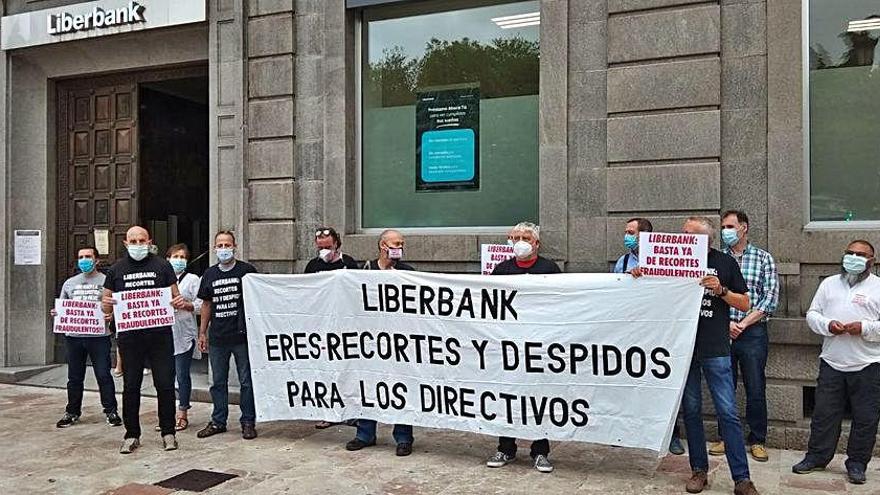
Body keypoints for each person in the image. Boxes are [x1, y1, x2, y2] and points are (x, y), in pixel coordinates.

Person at [635, 217, 759, 494]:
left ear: (705, 240)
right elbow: (650, 293)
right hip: (682, 348)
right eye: (683, 232)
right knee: (691, 410)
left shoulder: (726, 263)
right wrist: (639, 275)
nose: (683, 236)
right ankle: (698, 470)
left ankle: (742, 478)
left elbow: (745, 302)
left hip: (715, 347)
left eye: (689, 233)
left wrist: (721, 290)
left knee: (727, 411)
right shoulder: (669, 262)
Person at [793, 240, 880, 485]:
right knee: (824, 415)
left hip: (868, 365)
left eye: (860, 254)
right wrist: (828, 326)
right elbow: (812, 315)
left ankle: (857, 464)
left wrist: (863, 328)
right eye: (849, 253)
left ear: (871, 261)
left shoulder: (878, 287)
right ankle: (816, 458)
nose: (853, 257)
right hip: (832, 361)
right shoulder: (829, 284)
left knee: (865, 419)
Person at [102, 226, 186, 454]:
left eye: (142, 240)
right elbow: (106, 299)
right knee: (131, 386)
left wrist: (178, 301)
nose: (138, 244)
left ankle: (168, 432)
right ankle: (131, 434)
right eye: (133, 241)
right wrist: (107, 309)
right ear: (125, 243)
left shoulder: (162, 265)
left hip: (160, 336)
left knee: (165, 384)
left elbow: (175, 294)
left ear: (149, 241)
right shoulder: (116, 269)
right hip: (130, 338)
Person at [486, 221, 560, 473]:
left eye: (525, 238)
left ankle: (540, 450)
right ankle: (506, 447)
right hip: (508, 344)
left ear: (536, 243)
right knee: (506, 395)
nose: (519, 241)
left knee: (538, 396)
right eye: (515, 237)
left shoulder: (549, 268)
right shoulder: (502, 269)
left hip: (538, 344)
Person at [709, 210, 779, 462]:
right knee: (723, 386)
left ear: (744, 228)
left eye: (730, 226)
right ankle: (725, 437)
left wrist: (744, 323)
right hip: (722, 331)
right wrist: (727, 324)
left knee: (755, 386)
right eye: (723, 226)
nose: (725, 231)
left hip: (753, 332)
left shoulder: (763, 259)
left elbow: (769, 298)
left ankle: (757, 439)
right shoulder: (717, 260)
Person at [611, 217, 686, 455]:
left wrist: (649, 276)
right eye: (626, 231)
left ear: (644, 236)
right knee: (628, 383)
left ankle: (671, 434)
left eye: (631, 232)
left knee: (664, 385)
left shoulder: (663, 261)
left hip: (661, 333)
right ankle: (627, 432)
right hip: (631, 332)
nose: (626, 236)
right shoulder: (623, 262)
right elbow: (614, 292)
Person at [345, 229, 415, 456]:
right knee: (368, 386)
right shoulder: (365, 271)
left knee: (400, 388)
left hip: (399, 342)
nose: (400, 247)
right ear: (382, 245)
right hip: (370, 342)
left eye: (402, 243)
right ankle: (365, 433)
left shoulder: (409, 273)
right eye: (396, 243)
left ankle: (403, 437)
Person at [196, 231, 259, 440]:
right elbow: (206, 304)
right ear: (214, 249)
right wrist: (202, 332)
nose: (224, 249)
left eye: (227, 244)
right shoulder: (209, 274)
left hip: (242, 336)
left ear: (235, 246)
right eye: (220, 245)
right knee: (218, 382)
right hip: (218, 338)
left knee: (246, 381)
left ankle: (248, 421)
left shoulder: (247, 271)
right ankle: (218, 421)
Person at [54, 246, 121, 428]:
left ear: (96, 260)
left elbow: (116, 305)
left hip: (99, 336)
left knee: (103, 374)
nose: (84, 260)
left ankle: (111, 411)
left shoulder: (107, 281)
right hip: (74, 337)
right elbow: (63, 306)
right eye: (81, 257)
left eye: (88, 257)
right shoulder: (69, 283)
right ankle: (72, 412)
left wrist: (112, 315)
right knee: (74, 377)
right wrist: (57, 313)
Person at [306, 227, 359, 429]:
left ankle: (351, 412)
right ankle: (329, 412)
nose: (324, 250)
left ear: (336, 243)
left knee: (348, 369)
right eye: (321, 247)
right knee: (326, 371)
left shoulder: (349, 263)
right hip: (322, 326)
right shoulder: (313, 265)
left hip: (346, 325)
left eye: (327, 246)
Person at [167, 244, 202, 431]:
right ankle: (167, 415)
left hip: (184, 334)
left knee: (182, 375)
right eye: (175, 256)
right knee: (165, 377)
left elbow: (200, 305)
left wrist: (185, 305)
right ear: (168, 259)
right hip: (164, 335)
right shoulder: (161, 278)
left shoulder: (192, 279)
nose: (179, 260)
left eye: (182, 257)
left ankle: (182, 413)